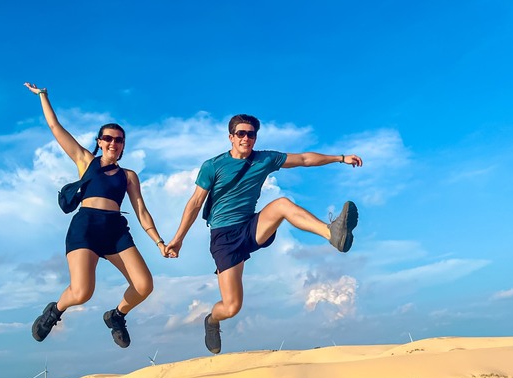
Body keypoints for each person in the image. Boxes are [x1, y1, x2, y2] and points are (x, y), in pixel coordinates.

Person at [165, 114, 362, 354]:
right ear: (231, 137)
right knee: (231, 306)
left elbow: (304, 159)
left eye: (251, 134)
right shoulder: (213, 166)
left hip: (250, 227)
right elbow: (195, 202)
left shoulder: (264, 159)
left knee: (281, 204)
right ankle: (212, 320)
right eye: (241, 134)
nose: (246, 138)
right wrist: (178, 239)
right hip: (224, 238)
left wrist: (340, 158)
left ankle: (331, 233)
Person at [24, 82, 167, 348]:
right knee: (82, 292)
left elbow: (141, 211)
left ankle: (116, 316)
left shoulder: (129, 176)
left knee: (144, 285)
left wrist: (159, 242)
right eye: (108, 138)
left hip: (115, 231)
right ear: (100, 142)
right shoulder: (85, 161)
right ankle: (54, 311)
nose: (113, 143)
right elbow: (56, 128)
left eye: (119, 139)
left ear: (123, 145)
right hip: (86, 227)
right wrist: (43, 96)